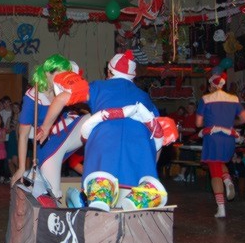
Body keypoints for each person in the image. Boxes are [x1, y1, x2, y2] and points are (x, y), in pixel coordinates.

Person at [35, 51, 158, 201]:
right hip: (138, 149)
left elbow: (61, 98)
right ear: (133, 76)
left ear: (109, 72)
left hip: (105, 143)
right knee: (129, 199)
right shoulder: (144, 97)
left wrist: (45, 127)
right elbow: (159, 133)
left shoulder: (98, 87)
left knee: (100, 196)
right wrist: (150, 165)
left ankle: (96, 203)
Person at [12, 54, 88, 199]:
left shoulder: (65, 90)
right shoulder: (32, 97)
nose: (63, 80)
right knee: (52, 193)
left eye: (65, 76)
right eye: (60, 75)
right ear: (48, 73)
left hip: (66, 135)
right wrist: (21, 167)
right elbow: (23, 135)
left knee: (94, 119)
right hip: (46, 145)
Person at [196, 72, 245, 218]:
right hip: (229, 139)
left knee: (214, 174)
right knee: (220, 163)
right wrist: (232, 122)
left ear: (211, 86)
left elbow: (198, 123)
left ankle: (221, 208)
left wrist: (209, 121)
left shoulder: (205, 99)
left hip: (213, 139)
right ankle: (227, 180)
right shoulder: (234, 99)